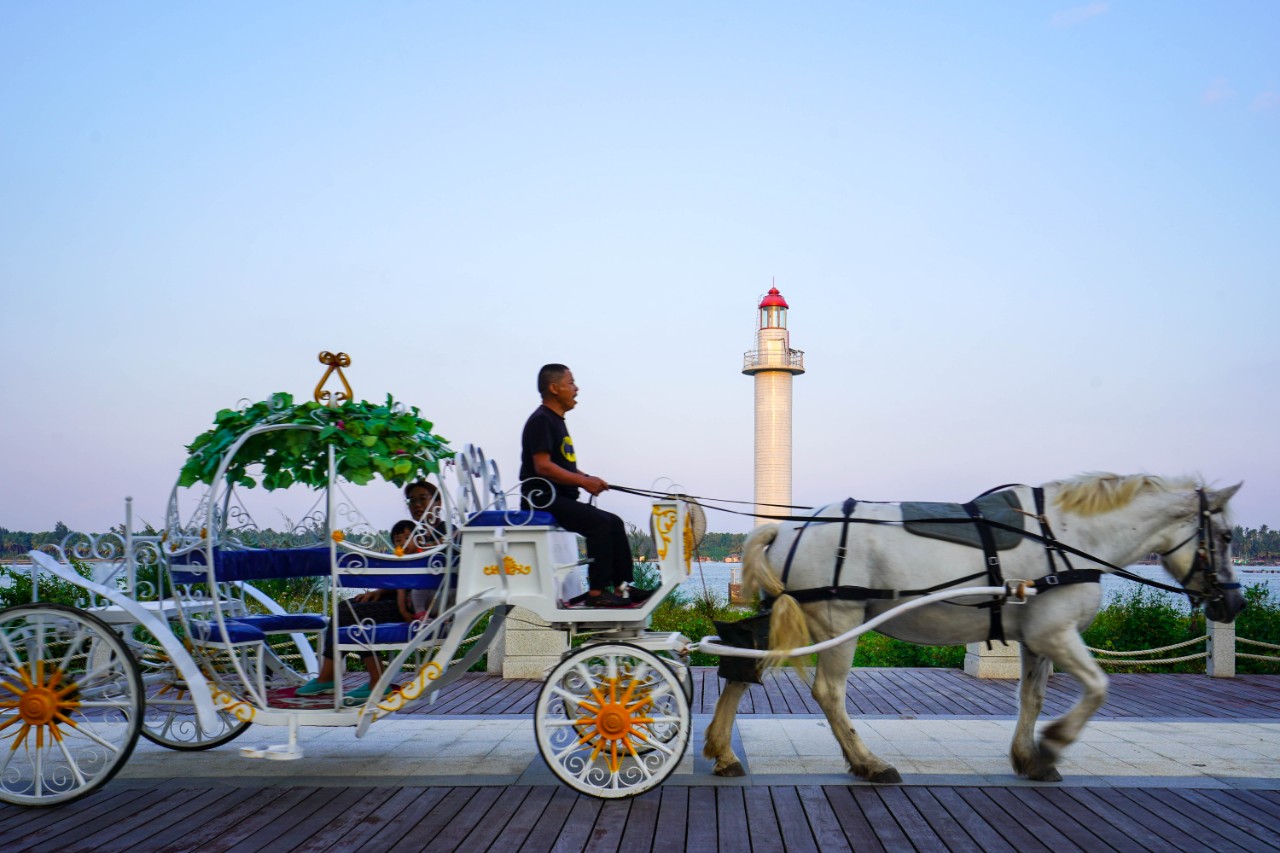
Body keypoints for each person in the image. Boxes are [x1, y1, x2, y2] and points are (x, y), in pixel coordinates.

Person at [519, 363, 650, 608]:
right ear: (554, 388)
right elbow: (543, 467)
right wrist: (583, 481)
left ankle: (622, 588)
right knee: (598, 523)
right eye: (571, 383)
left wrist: (589, 478)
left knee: (614, 522)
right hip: (542, 499)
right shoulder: (542, 420)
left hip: (558, 498)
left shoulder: (556, 420)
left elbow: (564, 466)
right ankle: (596, 594)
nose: (576, 389)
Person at [295, 483, 440, 700]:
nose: (418, 505)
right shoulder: (425, 535)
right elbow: (407, 573)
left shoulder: (439, 536)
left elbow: (415, 576)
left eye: (423, 499)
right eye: (412, 501)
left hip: (417, 608)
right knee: (350, 607)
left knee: (348, 614)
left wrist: (397, 598)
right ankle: (339, 677)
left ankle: (365, 679)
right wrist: (381, 591)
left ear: (438, 502)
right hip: (408, 597)